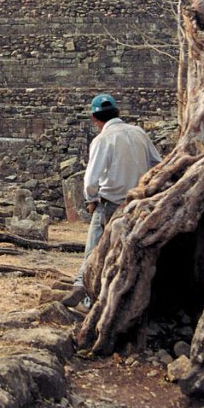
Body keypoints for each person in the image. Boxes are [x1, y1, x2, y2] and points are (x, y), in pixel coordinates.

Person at [73, 93, 161, 307]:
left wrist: (91, 199)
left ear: (95, 119)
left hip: (110, 202)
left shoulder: (103, 139)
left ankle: (83, 288)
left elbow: (91, 180)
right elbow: (158, 164)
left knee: (95, 248)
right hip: (138, 202)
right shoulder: (139, 133)